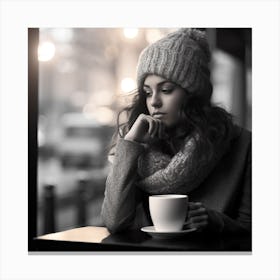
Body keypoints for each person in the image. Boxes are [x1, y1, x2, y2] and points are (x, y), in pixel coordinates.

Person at [101, 28, 251, 235]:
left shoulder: (242, 144)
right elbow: (114, 222)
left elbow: (254, 231)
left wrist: (215, 221)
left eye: (166, 90)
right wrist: (130, 144)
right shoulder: (139, 147)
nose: (154, 101)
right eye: (147, 92)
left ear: (193, 94)